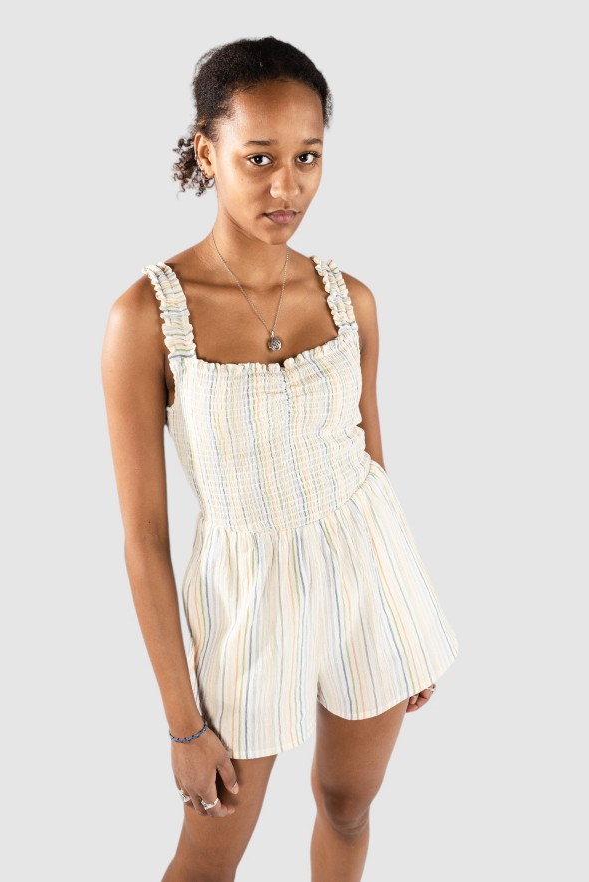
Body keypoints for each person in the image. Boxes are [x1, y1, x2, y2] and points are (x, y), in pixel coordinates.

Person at [101, 35, 460, 882]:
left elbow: (371, 458)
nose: (286, 186)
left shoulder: (351, 300)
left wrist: (403, 615)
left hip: (368, 575)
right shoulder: (145, 318)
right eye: (259, 158)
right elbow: (144, 538)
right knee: (208, 853)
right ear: (207, 153)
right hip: (243, 597)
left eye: (308, 157)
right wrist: (184, 724)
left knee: (347, 805)